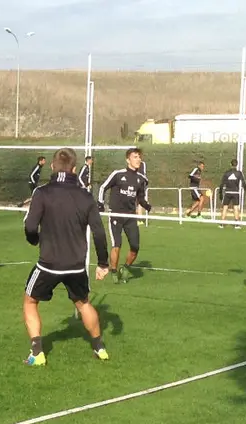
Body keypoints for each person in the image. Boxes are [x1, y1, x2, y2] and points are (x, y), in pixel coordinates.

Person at [22, 148, 111, 366]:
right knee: (83, 304)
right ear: (74, 169)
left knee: (30, 301)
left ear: (52, 167)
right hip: (76, 266)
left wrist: (34, 240)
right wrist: (102, 263)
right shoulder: (85, 196)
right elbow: (99, 231)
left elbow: (30, 226)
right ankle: (99, 348)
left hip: (49, 264)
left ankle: (37, 353)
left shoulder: (42, 193)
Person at [98, 148, 152, 284]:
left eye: (139, 157)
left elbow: (140, 198)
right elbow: (103, 187)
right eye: (135, 157)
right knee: (117, 244)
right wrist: (100, 203)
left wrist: (146, 206)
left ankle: (126, 268)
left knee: (135, 247)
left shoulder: (141, 179)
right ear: (128, 160)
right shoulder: (117, 174)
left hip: (130, 217)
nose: (138, 159)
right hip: (116, 215)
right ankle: (114, 271)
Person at [218, 159, 246, 229]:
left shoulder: (227, 173)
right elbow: (243, 182)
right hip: (235, 192)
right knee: (236, 207)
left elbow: (222, 183)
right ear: (237, 164)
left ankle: (222, 224)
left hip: (227, 192)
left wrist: (220, 193)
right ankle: (237, 224)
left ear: (230, 164)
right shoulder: (239, 173)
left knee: (225, 207)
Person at [137, 160, 147, 225]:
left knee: (140, 202)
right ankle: (139, 218)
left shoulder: (142, 163)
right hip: (137, 184)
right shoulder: (142, 163)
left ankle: (139, 219)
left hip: (140, 185)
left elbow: (143, 174)